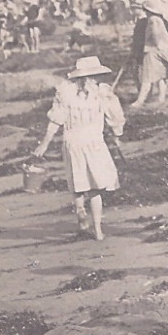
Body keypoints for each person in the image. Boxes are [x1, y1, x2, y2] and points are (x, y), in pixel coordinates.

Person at [33, 56, 125, 241]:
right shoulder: (102, 93)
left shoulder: (66, 93)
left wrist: (44, 143)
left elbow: (56, 120)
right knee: (96, 187)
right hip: (94, 142)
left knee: (77, 182)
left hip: (73, 141)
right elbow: (115, 116)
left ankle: (81, 211)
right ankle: (98, 229)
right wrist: (116, 134)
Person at [130, 4, 168, 107]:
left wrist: (157, 45)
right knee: (161, 76)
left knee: (147, 77)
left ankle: (140, 101)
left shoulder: (152, 20)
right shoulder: (159, 19)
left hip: (152, 50)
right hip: (161, 50)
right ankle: (161, 98)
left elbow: (155, 34)